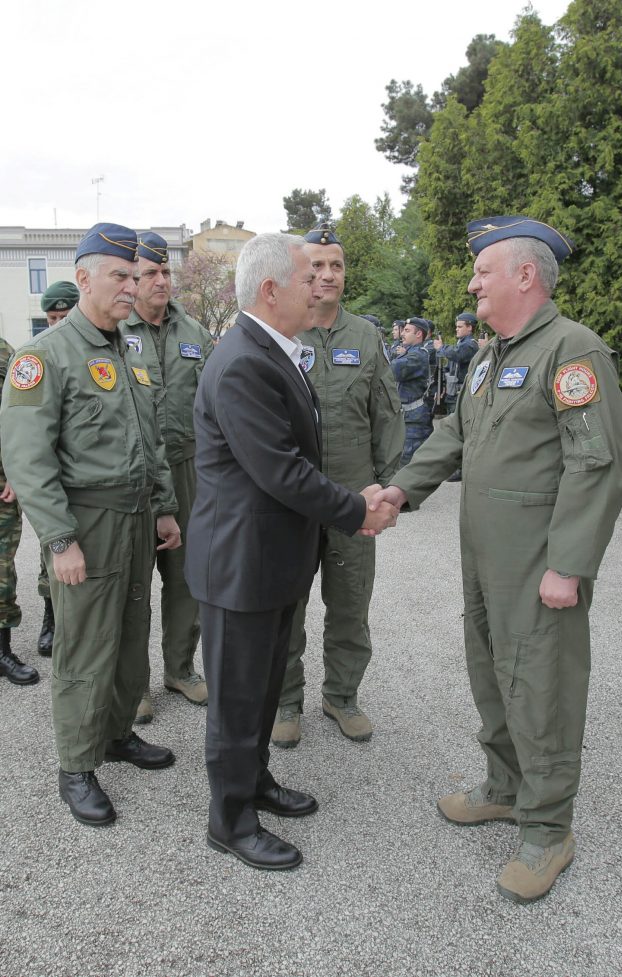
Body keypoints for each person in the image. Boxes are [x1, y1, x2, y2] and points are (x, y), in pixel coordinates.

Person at [374, 216, 622, 905]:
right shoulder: (491, 355)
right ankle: (505, 786)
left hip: (538, 560)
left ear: (524, 275)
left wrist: (568, 565)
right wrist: (402, 488)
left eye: (482, 271)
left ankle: (548, 829)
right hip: (485, 554)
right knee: (490, 669)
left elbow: (597, 463)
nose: (471, 284)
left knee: (541, 684)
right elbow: (456, 431)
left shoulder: (572, 351)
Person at [184, 233, 397, 871]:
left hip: (269, 560)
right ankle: (230, 821)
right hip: (240, 564)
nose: (319, 287)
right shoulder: (244, 361)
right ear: (271, 290)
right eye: (308, 277)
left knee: (260, 686)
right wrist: (357, 510)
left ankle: (255, 783)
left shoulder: (273, 351)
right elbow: (281, 470)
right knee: (236, 700)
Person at [0, 222, 182, 827]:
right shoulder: (44, 357)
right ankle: (76, 766)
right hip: (86, 523)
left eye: (136, 276)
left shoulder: (131, 347)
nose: (133, 286)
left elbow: (152, 436)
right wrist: (59, 540)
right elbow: (27, 459)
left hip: (136, 518)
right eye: (120, 276)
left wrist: (164, 506)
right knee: (84, 645)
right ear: (83, 278)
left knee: (131, 633)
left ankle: (117, 734)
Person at [270, 224, 403, 750]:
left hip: (354, 501)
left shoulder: (366, 336)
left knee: (350, 606)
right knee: (286, 606)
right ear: (299, 273)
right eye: (317, 266)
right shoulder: (281, 331)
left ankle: (342, 696)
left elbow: (387, 414)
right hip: (291, 501)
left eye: (337, 266)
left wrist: (387, 488)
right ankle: (285, 700)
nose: (327, 275)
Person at [123, 231, 214, 722]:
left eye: (165, 272)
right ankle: (134, 685)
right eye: (149, 274)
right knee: (135, 583)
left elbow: (216, 402)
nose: (160, 281)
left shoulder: (194, 332)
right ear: (131, 279)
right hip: (135, 473)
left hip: (187, 469)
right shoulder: (116, 330)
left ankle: (180, 669)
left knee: (185, 580)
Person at [35, 280, 80, 657]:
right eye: (52, 318)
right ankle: (50, 621)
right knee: (49, 555)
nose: (58, 323)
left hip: (83, 480)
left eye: (64, 316)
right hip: (52, 478)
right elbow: (25, 433)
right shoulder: (39, 355)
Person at [0, 336, 39, 686]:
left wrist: (14, 468)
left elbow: (18, 414)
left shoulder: (4, 354)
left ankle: (1, 651)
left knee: (0, 567)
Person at [433, 311, 479, 481]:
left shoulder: (470, 345)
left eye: (460, 327)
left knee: (462, 431)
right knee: (454, 430)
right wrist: (442, 386)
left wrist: (441, 348)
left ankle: (462, 468)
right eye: (456, 326)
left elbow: (457, 355)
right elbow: (449, 365)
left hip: (463, 393)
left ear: (470, 328)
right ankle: (456, 466)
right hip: (454, 392)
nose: (457, 329)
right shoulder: (460, 344)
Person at [390, 316, 433, 466]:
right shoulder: (408, 351)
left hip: (414, 419)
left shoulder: (419, 354)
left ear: (419, 334)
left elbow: (393, 369)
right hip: (407, 416)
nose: (402, 334)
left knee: (409, 461)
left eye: (407, 331)